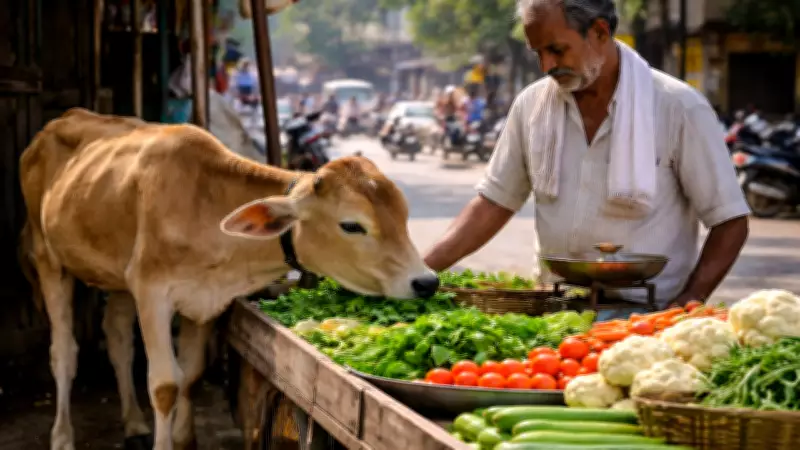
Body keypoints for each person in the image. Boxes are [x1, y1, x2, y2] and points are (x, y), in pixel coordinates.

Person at [423, 0, 750, 319]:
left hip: (647, 315)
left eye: (557, 50)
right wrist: (420, 271)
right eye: (538, 53)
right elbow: (494, 202)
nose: (547, 66)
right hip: (554, 309)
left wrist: (689, 301)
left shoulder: (679, 107)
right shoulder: (531, 105)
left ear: (599, 32)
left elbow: (729, 221)